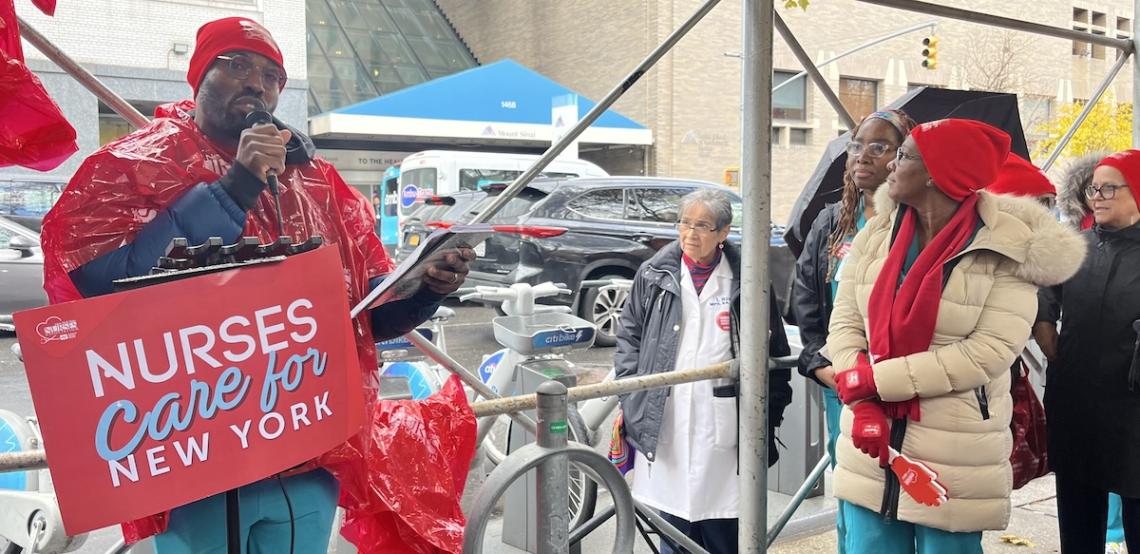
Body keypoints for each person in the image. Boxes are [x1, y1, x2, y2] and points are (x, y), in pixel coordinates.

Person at [38, 17, 474, 553]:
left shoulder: (315, 182)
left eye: (271, 75)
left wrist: (424, 287)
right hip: (194, 466)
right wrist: (233, 191)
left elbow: (362, 320)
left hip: (306, 462)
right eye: (236, 65)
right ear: (198, 78)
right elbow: (102, 291)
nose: (256, 83)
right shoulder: (131, 165)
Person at [825, 119, 1085, 553]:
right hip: (869, 444)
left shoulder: (1006, 248)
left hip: (957, 449)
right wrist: (863, 400)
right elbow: (845, 321)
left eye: (903, 155)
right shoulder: (876, 234)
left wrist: (874, 382)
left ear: (936, 174)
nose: (891, 164)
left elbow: (987, 352)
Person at [614, 189, 793, 554]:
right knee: (672, 526)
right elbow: (628, 338)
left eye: (702, 226)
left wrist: (769, 415)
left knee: (723, 525)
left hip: (727, 422)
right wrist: (633, 397)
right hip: (666, 415)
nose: (690, 234)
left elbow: (775, 354)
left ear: (724, 233)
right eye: (685, 224)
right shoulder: (654, 275)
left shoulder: (747, 280)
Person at [791, 108, 916, 552]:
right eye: (857, 145)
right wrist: (823, 366)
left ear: (904, 156)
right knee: (851, 480)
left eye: (879, 147)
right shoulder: (831, 222)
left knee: (896, 485)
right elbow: (804, 299)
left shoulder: (919, 220)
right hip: (840, 381)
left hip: (899, 383)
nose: (862, 156)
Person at [1035, 149, 1140, 553]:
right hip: (1077, 398)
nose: (1098, 196)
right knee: (1078, 512)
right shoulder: (1074, 245)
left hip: (1132, 405)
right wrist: (1044, 322)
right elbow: (1043, 285)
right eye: (1094, 187)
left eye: (1110, 187)